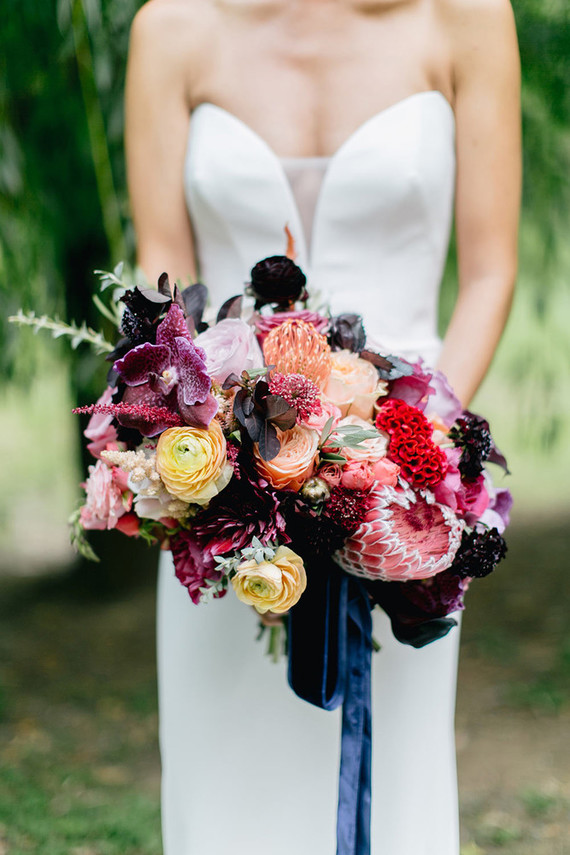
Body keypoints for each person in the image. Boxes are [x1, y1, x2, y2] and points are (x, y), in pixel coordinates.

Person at [124, 0, 520, 852]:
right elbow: (165, 273)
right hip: (224, 493)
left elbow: (490, 272)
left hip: (400, 492)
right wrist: (207, 442)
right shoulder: (171, 28)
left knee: (393, 783)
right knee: (226, 796)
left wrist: (418, 437)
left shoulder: (469, 18)